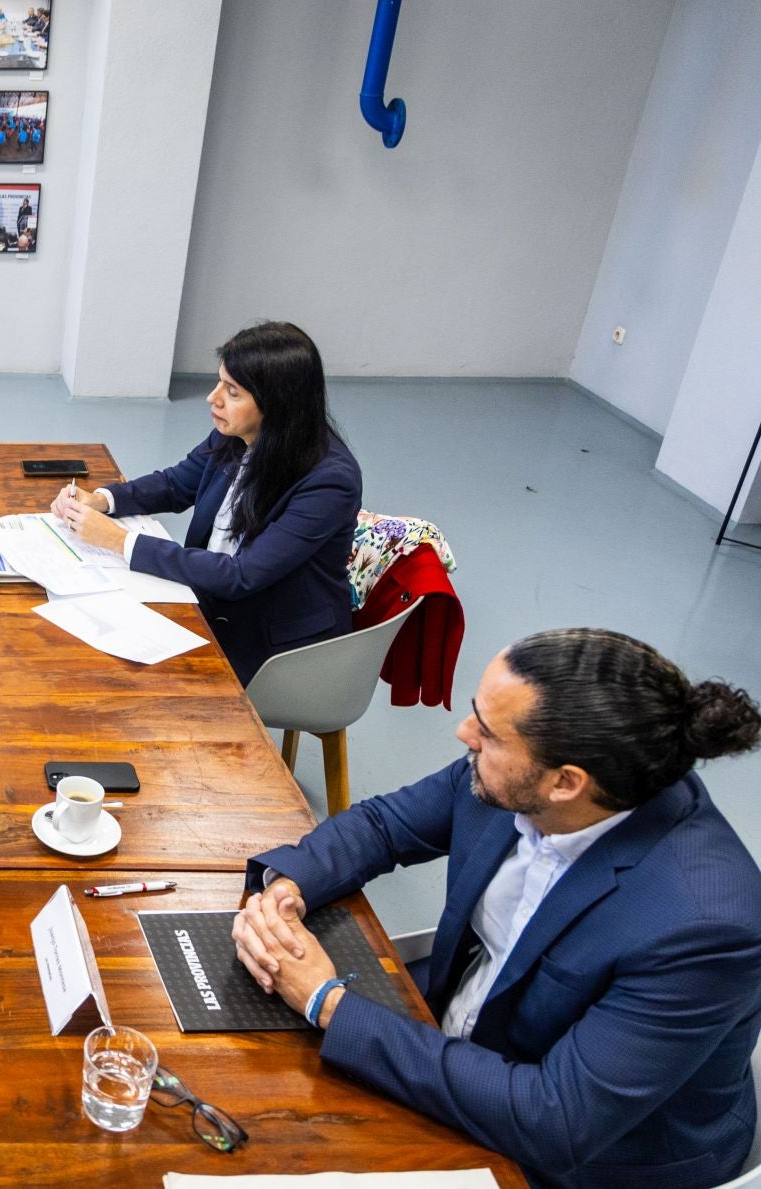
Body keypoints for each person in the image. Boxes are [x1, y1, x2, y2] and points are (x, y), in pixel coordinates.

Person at [232, 630, 761, 1188]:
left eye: (486, 732)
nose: (464, 735)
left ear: (566, 783)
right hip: (460, 1040)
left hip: (577, 1159)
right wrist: (288, 890)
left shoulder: (704, 926)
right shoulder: (518, 776)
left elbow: (555, 1120)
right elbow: (387, 825)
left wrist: (327, 1002)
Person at [52, 321, 360, 683]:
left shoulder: (329, 481)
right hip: (212, 604)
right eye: (219, 383)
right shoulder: (237, 432)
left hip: (278, 649)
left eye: (232, 391)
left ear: (277, 404)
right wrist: (103, 499)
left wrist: (118, 541)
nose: (212, 398)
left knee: (119, 678)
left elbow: (242, 575)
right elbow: (175, 483)